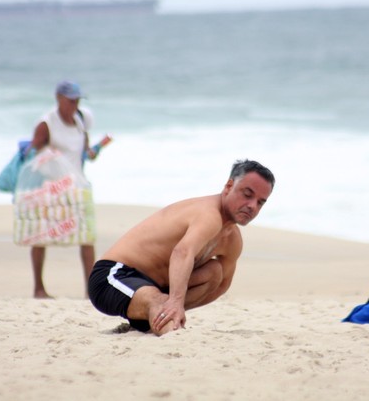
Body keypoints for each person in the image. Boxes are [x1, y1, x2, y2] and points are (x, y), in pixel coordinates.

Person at [88, 160, 275, 336]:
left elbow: (221, 285)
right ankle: (168, 326)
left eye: (260, 202)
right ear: (228, 186)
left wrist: (176, 304)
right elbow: (182, 252)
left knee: (215, 273)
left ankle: (152, 319)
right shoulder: (209, 214)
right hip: (113, 276)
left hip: (152, 287)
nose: (252, 206)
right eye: (247, 194)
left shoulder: (232, 240)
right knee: (161, 303)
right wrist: (174, 302)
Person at [26, 80, 103, 299]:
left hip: (77, 185)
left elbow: (84, 148)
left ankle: (91, 291)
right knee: (41, 236)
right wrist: (50, 156)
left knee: (86, 237)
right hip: (50, 186)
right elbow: (34, 152)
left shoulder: (81, 118)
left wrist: (92, 152)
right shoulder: (46, 123)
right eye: (70, 100)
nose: (74, 104)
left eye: (77, 100)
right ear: (59, 98)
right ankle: (38, 289)